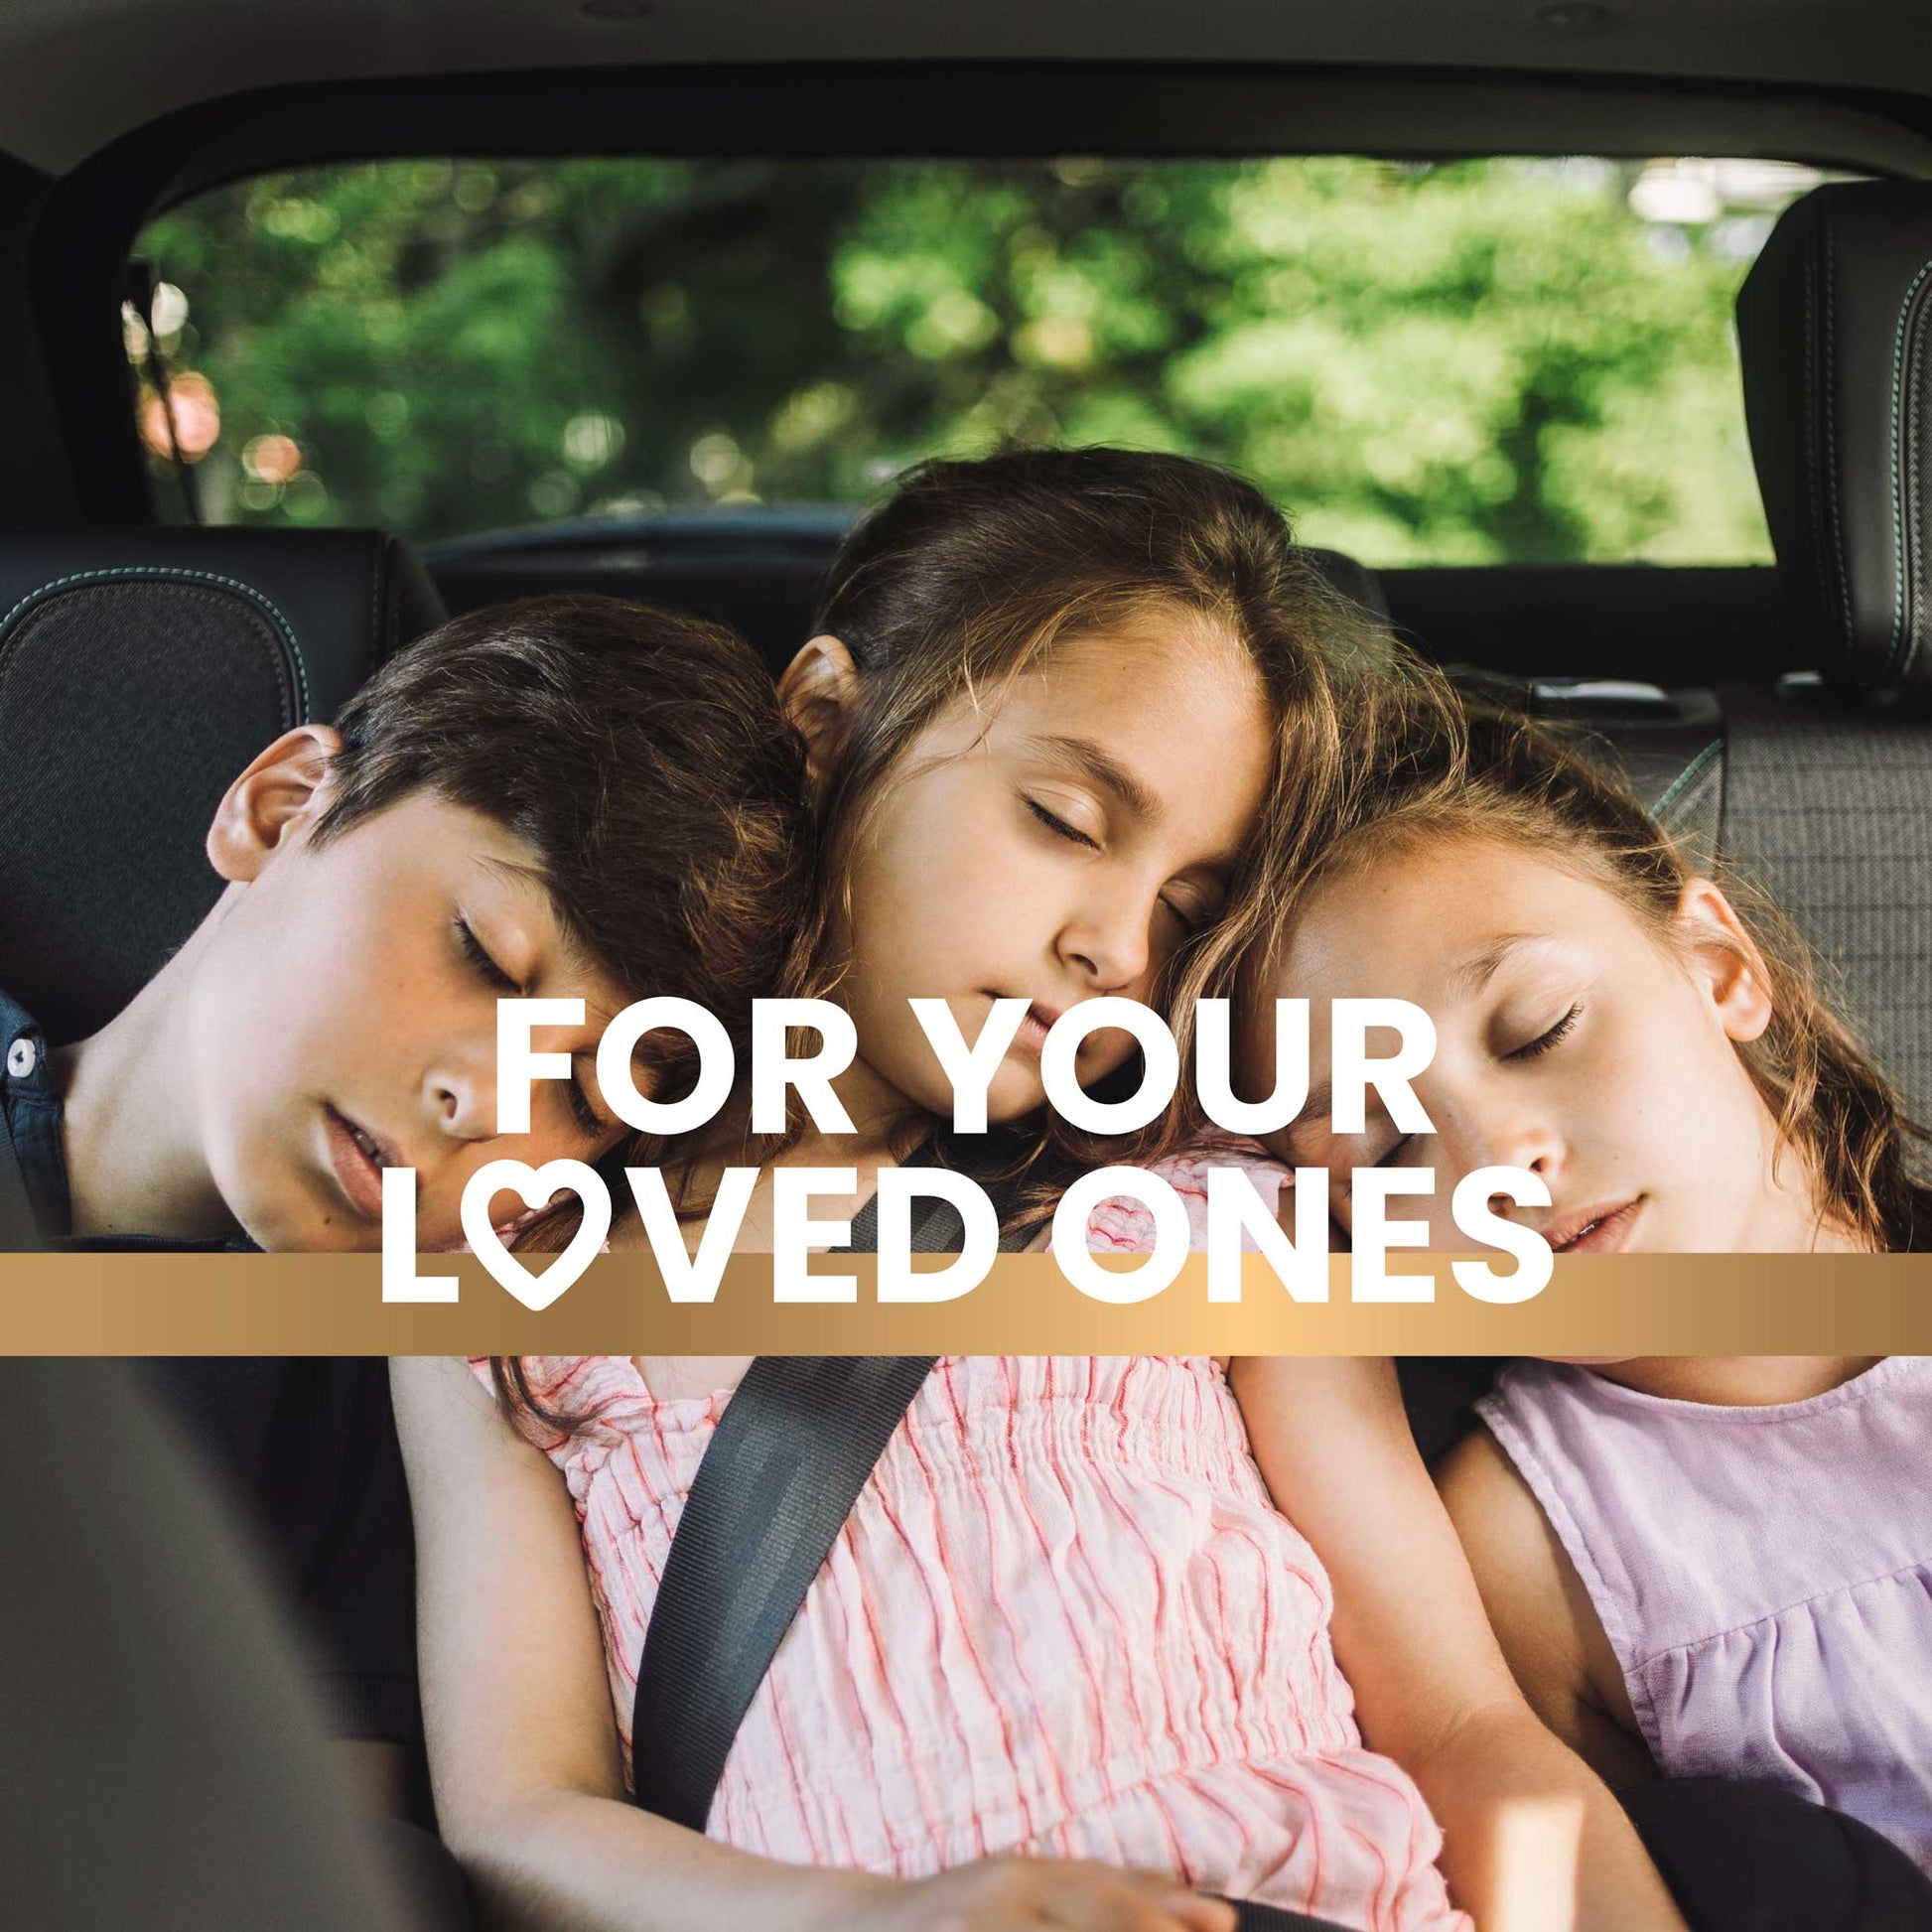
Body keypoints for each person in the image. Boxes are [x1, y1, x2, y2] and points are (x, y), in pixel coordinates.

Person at [395, 447, 1610, 1930]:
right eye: (1066, 819)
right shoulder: (510, 1266)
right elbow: (522, 1815)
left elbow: (1467, 1734)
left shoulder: (1198, 1208)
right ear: (828, 720)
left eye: (1187, 907)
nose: (1116, 947)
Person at [1, 594, 814, 1804]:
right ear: (280, 808)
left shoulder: (390, 1438)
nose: (482, 1103)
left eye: (582, 1099)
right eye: (485, 957)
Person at [1195, 696, 1932, 1911]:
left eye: (1537, 1030)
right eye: (1380, 1152)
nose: (1494, 1164)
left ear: (1716, 966)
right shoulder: (1523, 1548)